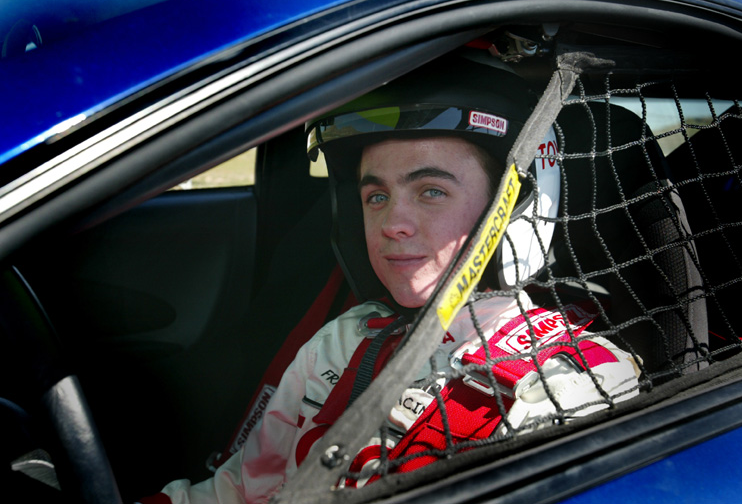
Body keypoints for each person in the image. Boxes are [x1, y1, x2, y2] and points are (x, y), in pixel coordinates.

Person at [140, 55, 641, 504]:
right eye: (376, 197)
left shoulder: (569, 380)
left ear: (512, 209)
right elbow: (242, 489)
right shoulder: (344, 338)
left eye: (431, 191)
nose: (391, 224)